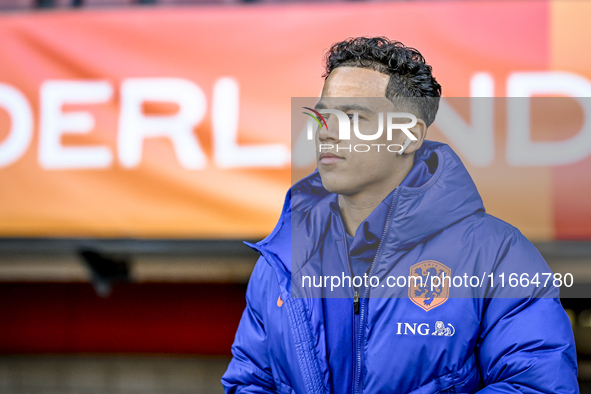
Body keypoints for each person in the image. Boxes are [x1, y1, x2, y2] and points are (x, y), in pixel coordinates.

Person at [222, 37, 579, 393]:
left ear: (408, 137)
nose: (326, 133)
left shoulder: (499, 256)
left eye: (353, 116)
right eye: (323, 115)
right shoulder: (281, 259)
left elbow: (538, 386)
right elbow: (250, 381)